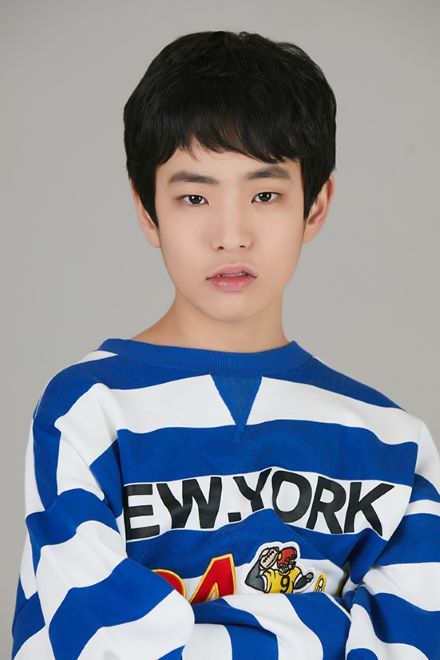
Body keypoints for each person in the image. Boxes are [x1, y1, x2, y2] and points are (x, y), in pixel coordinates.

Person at [11, 30, 440, 659]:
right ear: (148, 211)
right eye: (194, 196)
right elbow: (90, 638)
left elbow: (416, 643)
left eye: (265, 194)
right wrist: (313, 630)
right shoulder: (88, 411)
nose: (231, 234)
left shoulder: (392, 443)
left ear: (315, 206)